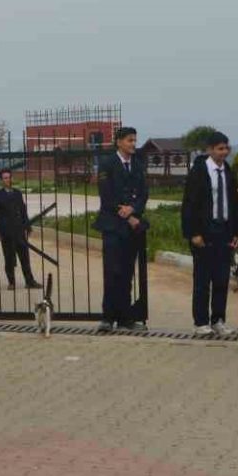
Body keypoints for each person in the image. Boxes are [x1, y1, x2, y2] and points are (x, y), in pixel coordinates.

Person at [180, 130, 238, 336]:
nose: (224, 152)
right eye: (219, 149)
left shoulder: (228, 171)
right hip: (204, 233)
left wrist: (237, 231)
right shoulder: (199, 171)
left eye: (226, 148)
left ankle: (218, 320)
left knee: (222, 279)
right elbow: (189, 204)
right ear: (210, 149)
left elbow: (234, 203)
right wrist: (193, 233)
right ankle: (200, 321)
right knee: (202, 280)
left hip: (224, 231)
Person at [93, 126, 148, 333]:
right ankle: (107, 318)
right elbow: (106, 194)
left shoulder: (138, 165)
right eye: (129, 140)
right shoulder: (107, 164)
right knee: (112, 272)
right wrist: (123, 212)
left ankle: (125, 318)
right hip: (112, 225)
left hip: (131, 227)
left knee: (126, 272)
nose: (133, 144)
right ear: (119, 142)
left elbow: (143, 193)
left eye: (134, 140)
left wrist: (133, 209)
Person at [0, 169, 41, 290]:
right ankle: (11, 282)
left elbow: (23, 211)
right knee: (9, 258)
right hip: (6, 232)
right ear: (1, 180)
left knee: (25, 257)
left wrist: (27, 226)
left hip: (19, 231)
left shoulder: (18, 193)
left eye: (9, 177)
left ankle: (29, 281)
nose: (8, 180)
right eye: (5, 178)